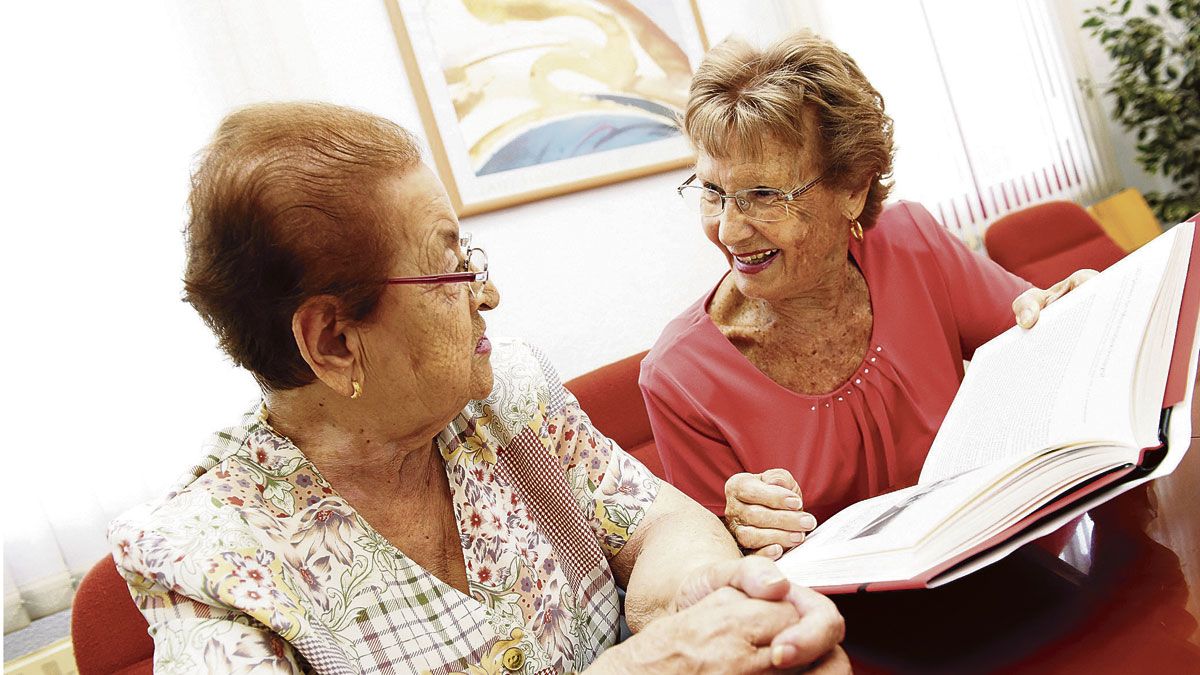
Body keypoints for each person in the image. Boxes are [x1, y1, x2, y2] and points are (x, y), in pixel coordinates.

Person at [107, 102, 849, 674]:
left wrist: (691, 599)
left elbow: (658, 523)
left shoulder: (503, 396)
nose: (486, 293)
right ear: (334, 341)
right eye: (451, 267)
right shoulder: (210, 563)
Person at [638, 31, 1093, 560]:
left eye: (763, 195)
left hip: (1005, 556)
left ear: (852, 189)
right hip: (845, 629)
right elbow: (709, 580)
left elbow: (1048, 348)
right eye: (714, 194)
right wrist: (732, 533)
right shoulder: (679, 378)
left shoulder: (912, 246)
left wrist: (1078, 312)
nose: (730, 231)